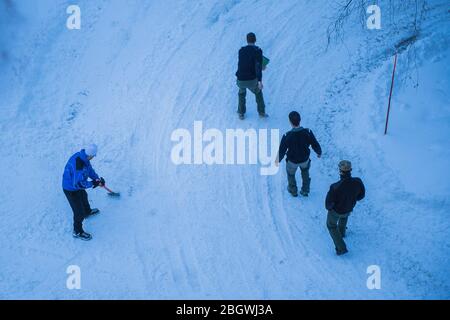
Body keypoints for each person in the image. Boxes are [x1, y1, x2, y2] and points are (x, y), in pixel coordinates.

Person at [62, 144, 105, 241]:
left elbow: (89, 170)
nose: (93, 158)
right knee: (78, 212)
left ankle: (87, 212)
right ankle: (77, 231)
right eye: (93, 156)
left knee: (84, 196)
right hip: (70, 189)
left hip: (77, 186)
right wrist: (93, 183)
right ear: (90, 155)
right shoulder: (78, 165)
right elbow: (78, 184)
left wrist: (97, 179)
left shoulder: (83, 157)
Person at [276, 111, 322, 197]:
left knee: (291, 174)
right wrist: (318, 152)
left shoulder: (287, 136)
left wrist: (278, 160)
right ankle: (305, 190)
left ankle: (293, 191)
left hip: (292, 161)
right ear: (300, 120)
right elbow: (314, 143)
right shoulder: (307, 132)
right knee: (305, 172)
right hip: (305, 160)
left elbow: (282, 150)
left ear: (290, 122)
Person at [325, 160, 365, 256]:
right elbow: (361, 196)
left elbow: (328, 204)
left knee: (331, 225)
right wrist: (352, 200)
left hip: (336, 211)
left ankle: (341, 248)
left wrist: (331, 209)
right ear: (351, 170)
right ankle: (342, 233)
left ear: (340, 171)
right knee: (344, 217)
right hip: (349, 208)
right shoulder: (358, 182)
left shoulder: (335, 187)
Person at [235, 32, 268, 120]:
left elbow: (244, 62)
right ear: (255, 40)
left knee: (241, 93)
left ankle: (241, 113)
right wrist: (260, 81)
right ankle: (261, 113)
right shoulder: (258, 51)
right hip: (252, 80)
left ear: (247, 40)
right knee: (258, 92)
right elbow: (258, 67)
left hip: (240, 79)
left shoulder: (241, 50)